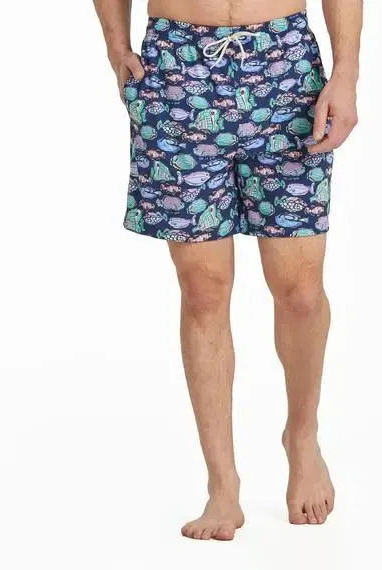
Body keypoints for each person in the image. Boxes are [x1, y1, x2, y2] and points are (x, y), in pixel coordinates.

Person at [93, 0, 361, 541]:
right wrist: (117, 47)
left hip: (284, 66)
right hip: (177, 67)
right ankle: (222, 484)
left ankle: (302, 436)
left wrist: (347, 71)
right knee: (203, 289)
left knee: (300, 288)